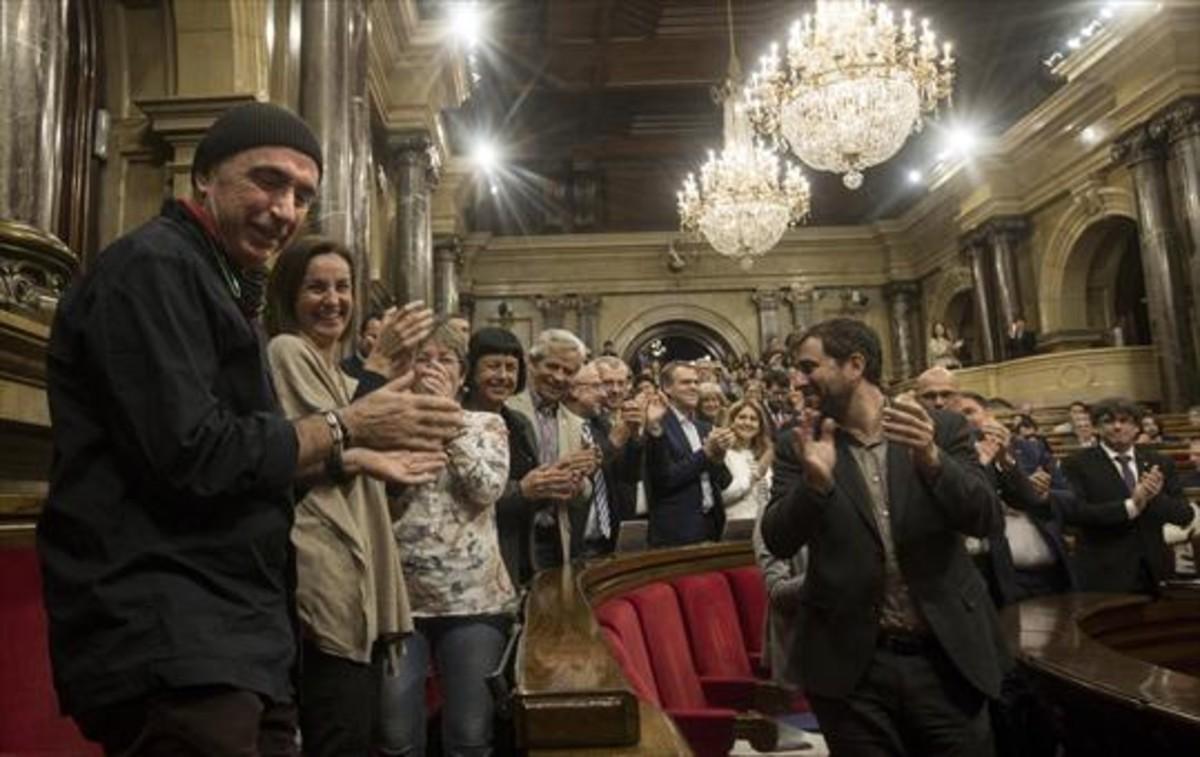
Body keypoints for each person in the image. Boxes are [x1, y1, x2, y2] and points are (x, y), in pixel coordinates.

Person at [39, 102, 464, 755]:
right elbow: (192, 456)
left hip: (237, 634)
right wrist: (347, 428)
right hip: (171, 629)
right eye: (268, 180)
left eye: (302, 194)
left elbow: (252, 472)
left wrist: (358, 453)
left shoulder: (220, 282)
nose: (286, 208)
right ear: (204, 177)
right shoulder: (154, 266)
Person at [761, 317, 1009, 756]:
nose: (798, 379)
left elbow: (986, 519)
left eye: (809, 366)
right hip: (851, 667)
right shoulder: (798, 442)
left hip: (944, 658)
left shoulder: (940, 429)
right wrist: (814, 486)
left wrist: (933, 461)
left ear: (854, 365)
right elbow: (778, 539)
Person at [264, 237, 447, 755]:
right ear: (289, 294)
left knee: (359, 729)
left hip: (360, 562)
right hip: (323, 569)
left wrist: (416, 394)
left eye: (343, 287)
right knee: (337, 730)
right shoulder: (287, 350)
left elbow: (361, 434)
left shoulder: (340, 371)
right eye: (316, 287)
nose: (333, 299)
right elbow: (335, 438)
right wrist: (382, 366)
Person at [378, 319, 515, 757]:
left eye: (446, 360)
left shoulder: (485, 425)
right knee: (396, 737)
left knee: (469, 738)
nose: (434, 368)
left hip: (474, 602)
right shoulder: (384, 423)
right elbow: (380, 497)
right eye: (423, 359)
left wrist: (447, 423)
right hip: (400, 602)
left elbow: (487, 489)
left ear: (461, 374)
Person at [1060, 398, 1193, 593]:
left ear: (1137, 427)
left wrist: (1154, 497)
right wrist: (1132, 505)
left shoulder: (1159, 462)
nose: (1117, 427)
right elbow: (1076, 515)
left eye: (1125, 420)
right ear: (1096, 427)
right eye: (1108, 421)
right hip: (1104, 573)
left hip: (1155, 571)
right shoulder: (1076, 464)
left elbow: (1184, 515)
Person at [506, 328, 596, 569]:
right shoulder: (507, 410)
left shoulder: (576, 424)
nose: (559, 377)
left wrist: (579, 483)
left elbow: (585, 494)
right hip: (512, 538)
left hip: (556, 541)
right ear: (532, 364)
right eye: (552, 366)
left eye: (568, 371)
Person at [461, 328, 543, 588]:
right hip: (471, 564)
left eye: (511, 368)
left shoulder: (519, 424)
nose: (503, 376)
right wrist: (521, 491)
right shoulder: (454, 422)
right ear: (471, 371)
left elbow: (532, 492)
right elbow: (460, 499)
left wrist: (554, 484)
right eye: (493, 366)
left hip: (518, 556)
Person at [644, 361, 735, 546]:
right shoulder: (657, 426)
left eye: (696, 382)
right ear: (667, 388)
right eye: (685, 382)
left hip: (712, 526)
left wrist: (718, 457)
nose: (694, 387)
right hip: (676, 533)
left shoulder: (705, 428)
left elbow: (724, 481)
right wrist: (706, 453)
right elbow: (664, 480)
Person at [720, 399, 774, 522]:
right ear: (732, 421)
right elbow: (723, 497)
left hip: (764, 525)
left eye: (753, 419)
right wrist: (755, 476)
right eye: (742, 417)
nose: (747, 422)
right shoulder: (724, 454)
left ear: (760, 426)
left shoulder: (764, 453)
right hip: (735, 524)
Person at [340, 309, 384, 380]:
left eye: (382, 338)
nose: (377, 343)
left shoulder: (387, 372)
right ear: (360, 336)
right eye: (373, 336)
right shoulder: (344, 369)